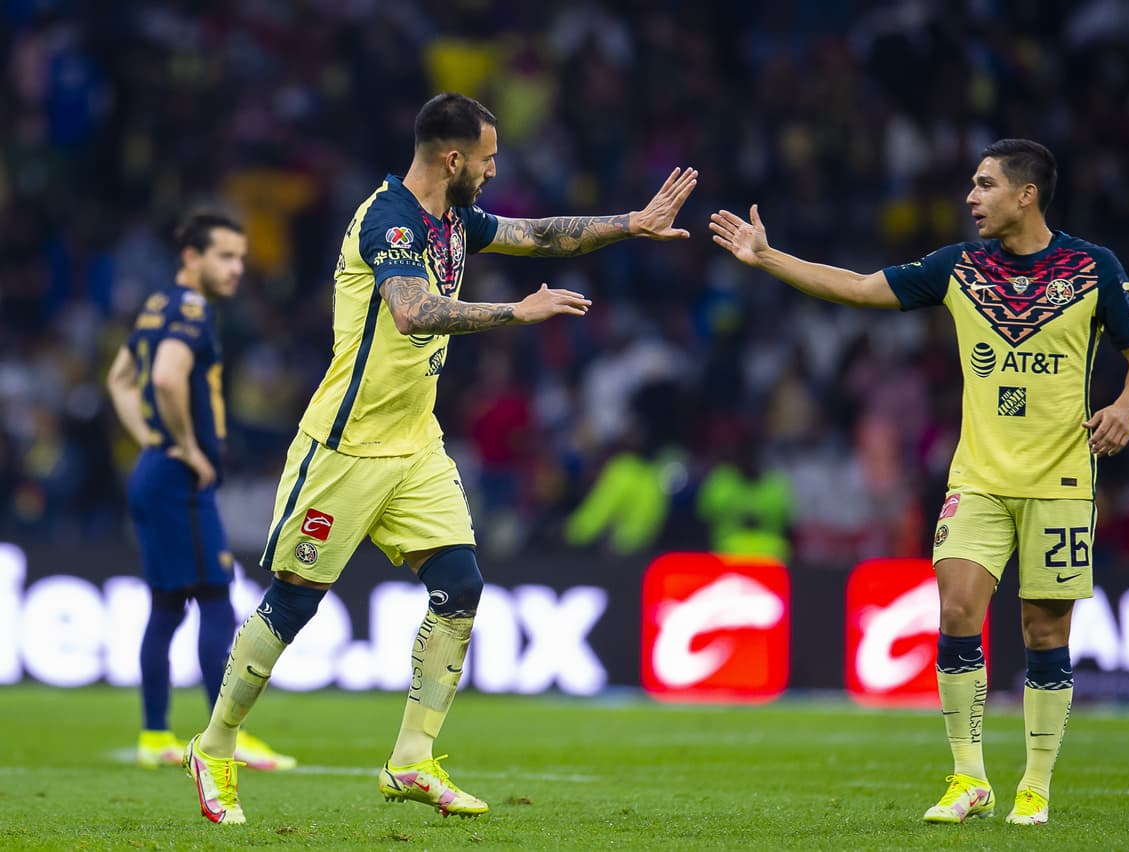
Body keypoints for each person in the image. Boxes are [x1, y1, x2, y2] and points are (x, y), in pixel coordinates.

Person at [182, 92, 697, 825]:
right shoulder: (388, 220)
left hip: (416, 443)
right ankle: (215, 746)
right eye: (487, 159)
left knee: (460, 586)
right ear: (453, 159)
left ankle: (411, 758)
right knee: (294, 601)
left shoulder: (454, 220)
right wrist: (516, 312)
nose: (493, 172)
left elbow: (538, 234)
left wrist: (631, 223)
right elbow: (412, 311)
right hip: (346, 445)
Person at [711, 139, 1129, 826]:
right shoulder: (958, 268)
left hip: (1062, 480)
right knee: (955, 612)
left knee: (1044, 630)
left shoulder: (1092, 268)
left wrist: (1125, 407)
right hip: (978, 477)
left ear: (1026, 195)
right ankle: (968, 777)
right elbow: (860, 287)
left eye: (985, 185)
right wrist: (769, 257)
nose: (971, 197)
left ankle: (1035, 785)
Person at [105, 210, 295, 772]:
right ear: (192, 257)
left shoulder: (157, 305)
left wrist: (150, 439)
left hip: (153, 471)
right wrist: (184, 446)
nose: (237, 268)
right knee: (215, 597)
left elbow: (119, 379)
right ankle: (224, 737)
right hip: (179, 479)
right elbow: (165, 377)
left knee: (167, 607)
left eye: (240, 257)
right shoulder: (190, 309)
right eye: (226, 256)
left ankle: (154, 735)